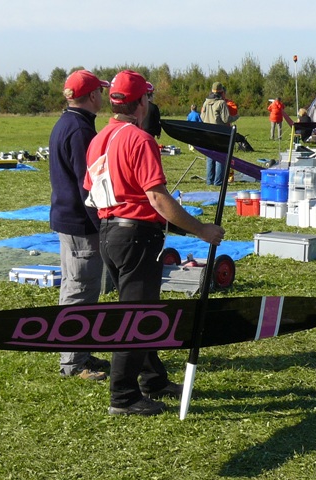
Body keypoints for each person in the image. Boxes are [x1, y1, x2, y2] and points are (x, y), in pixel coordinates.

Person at [84, 70, 225, 416]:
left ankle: (153, 378)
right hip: (135, 236)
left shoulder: (99, 138)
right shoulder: (140, 140)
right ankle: (123, 396)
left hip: (109, 232)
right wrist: (201, 230)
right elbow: (158, 199)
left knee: (137, 310)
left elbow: (90, 190)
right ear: (142, 102)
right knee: (136, 317)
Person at [48, 70, 111, 381]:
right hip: (79, 223)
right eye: (99, 91)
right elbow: (88, 185)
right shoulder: (80, 131)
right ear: (90, 97)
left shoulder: (68, 123)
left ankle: (77, 351)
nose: (103, 96)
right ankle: (73, 363)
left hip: (67, 218)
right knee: (81, 288)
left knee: (73, 285)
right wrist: (102, 222)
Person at [200, 82, 239, 186]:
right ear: (222, 92)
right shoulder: (221, 103)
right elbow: (226, 119)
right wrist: (236, 117)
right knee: (220, 157)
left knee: (210, 157)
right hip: (219, 132)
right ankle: (218, 181)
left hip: (207, 132)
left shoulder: (206, 102)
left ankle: (209, 180)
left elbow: (202, 117)